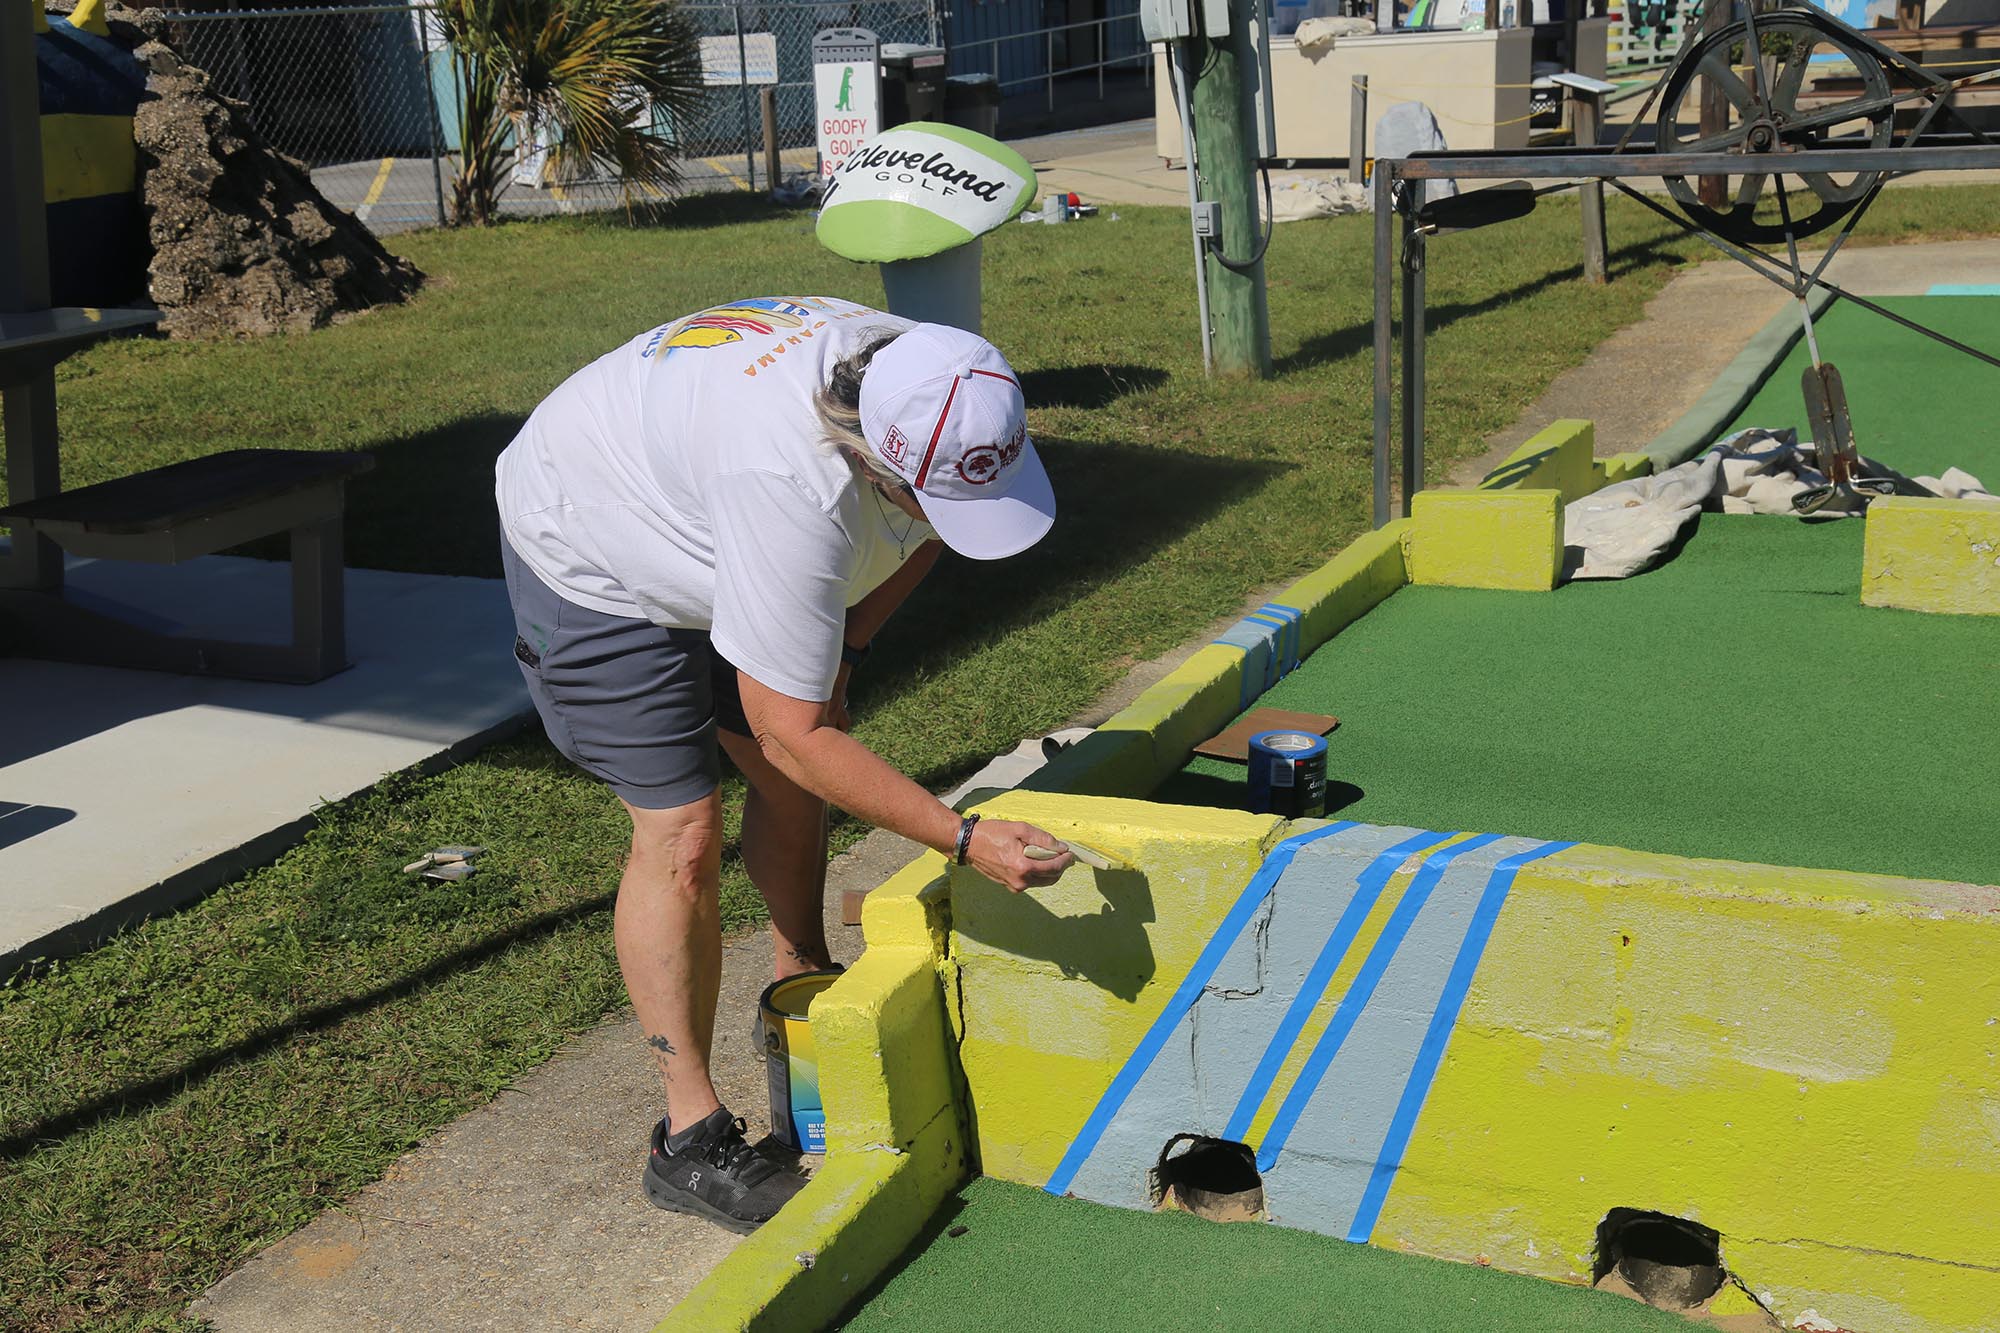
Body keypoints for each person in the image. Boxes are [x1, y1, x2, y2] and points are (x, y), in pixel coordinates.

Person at [494, 296, 1076, 1234]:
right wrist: (962, 837)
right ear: (874, 461)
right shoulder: (789, 484)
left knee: (803, 751)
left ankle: (799, 975)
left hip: (701, 489)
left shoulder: (932, 376)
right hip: (592, 538)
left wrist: (841, 650)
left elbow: (932, 529)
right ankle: (687, 1139)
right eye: (923, 492)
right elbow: (786, 732)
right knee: (683, 828)